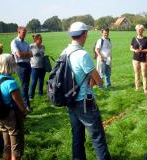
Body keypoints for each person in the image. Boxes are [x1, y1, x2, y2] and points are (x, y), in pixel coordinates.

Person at [63, 22, 111, 160]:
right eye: (86, 33)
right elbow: (99, 80)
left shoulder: (65, 51)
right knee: (98, 138)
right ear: (84, 34)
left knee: (77, 138)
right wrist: (94, 80)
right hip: (85, 103)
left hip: (70, 101)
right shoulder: (82, 55)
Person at [0, 54, 29, 160]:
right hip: (11, 116)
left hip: (0, 115)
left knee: (6, 145)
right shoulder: (11, 83)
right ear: (11, 65)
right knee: (16, 147)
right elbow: (20, 105)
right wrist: (25, 112)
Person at [11, 26, 33, 112]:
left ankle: (23, 104)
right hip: (20, 65)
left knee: (26, 85)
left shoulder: (26, 42)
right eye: (23, 32)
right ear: (19, 32)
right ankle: (26, 105)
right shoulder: (14, 42)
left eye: (25, 32)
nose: (24, 34)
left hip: (27, 64)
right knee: (24, 86)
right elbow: (19, 55)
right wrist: (25, 54)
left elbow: (31, 54)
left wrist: (23, 54)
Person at [130, 24, 147, 94]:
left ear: (143, 30)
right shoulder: (134, 39)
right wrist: (134, 50)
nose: (139, 31)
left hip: (144, 59)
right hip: (135, 59)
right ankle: (137, 87)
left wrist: (142, 51)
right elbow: (131, 48)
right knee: (136, 73)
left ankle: (145, 88)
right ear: (136, 30)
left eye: (141, 29)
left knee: (144, 74)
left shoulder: (146, 39)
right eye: (138, 29)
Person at [28, 34, 46, 100]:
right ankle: (30, 96)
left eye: (41, 39)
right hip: (34, 67)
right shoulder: (31, 46)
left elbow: (43, 55)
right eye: (39, 39)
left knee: (41, 81)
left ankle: (40, 93)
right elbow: (28, 55)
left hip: (42, 66)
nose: (41, 40)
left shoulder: (43, 46)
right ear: (35, 40)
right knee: (33, 82)